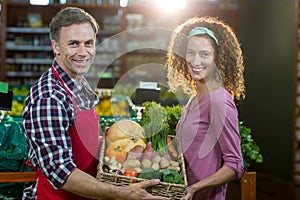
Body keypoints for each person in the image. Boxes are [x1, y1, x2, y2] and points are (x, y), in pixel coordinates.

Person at [22, 7, 168, 200]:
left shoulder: (79, 82)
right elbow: (60, 172)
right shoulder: (49, 97)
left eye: (88, 43)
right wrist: (120, 193)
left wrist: (121, 146)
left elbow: (82, 139)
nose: (83, 52)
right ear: (56, 46)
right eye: (74, 44)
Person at [165, 16, 245, 200]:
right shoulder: (195, 98)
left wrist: (195, 188)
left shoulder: (218, 100)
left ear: (218, 58)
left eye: (204, 54)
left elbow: (235, 164)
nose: (195, 61)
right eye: (190, 53)